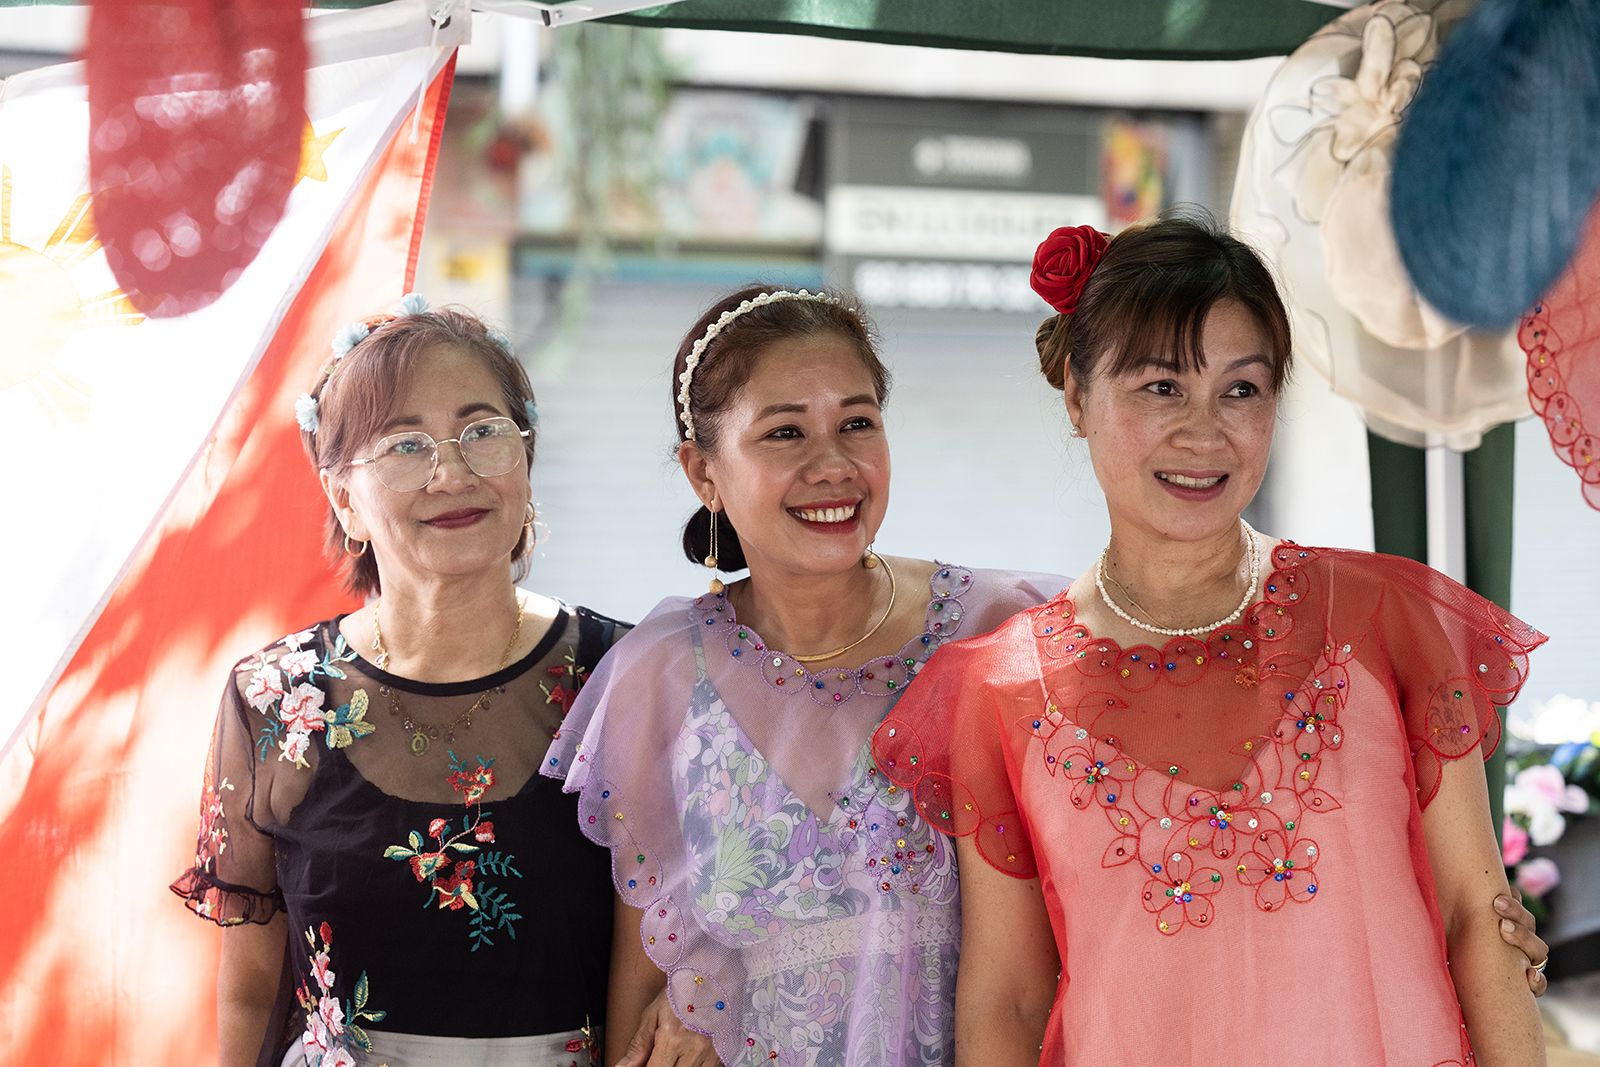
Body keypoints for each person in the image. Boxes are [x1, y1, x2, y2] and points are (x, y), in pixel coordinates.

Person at [874, 212, 1550, 1066]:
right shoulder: (1005, 692)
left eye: (1242, 389)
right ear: (1078, 397)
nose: (1204, 433)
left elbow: (1475, 919)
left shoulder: (1381, 621)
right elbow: (1007, 1000)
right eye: (1161, 387)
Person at [542, 286, 1067, 1066]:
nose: (834, 465)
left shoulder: (994, 632)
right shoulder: (658, 676)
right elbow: (644, 990)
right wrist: (709, 987)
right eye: (785, 432)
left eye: (857, 423)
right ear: (703, 473)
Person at [171, 298, 625, 1067]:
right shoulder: (276, 697)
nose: (453, 471)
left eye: (483, 432)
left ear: (525, 459)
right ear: (343, 497)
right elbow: (251, 986)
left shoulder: (619, 677)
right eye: (405, 445)